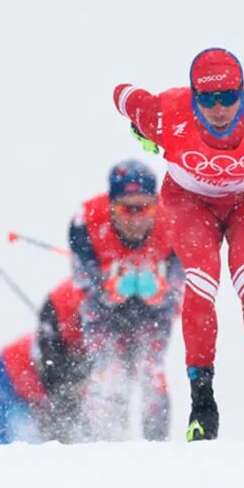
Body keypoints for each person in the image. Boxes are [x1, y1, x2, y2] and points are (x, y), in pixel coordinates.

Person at [112, 48, 244, 441]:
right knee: (202, 282)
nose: (219, 108)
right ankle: (202, 407)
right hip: (190, 201)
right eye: (207, 99)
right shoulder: (162, 114)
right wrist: (141, 128)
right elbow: (122, 93)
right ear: (193, 97)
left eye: (228, 96)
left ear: (243, 93)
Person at [68, 159, 183, 441]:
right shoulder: (85, 220)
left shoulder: (177, 220)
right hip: (103, 311)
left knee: (150, 371)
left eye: (144, 208)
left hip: (155, 312)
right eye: (125, 209)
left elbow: (181, 288)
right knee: (109, 372)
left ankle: (157, 446)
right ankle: (102, 441)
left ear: (156, 205)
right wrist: (107, 289)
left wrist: (159, 293)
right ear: (110, 206)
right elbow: (83, 282)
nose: (134, 218)